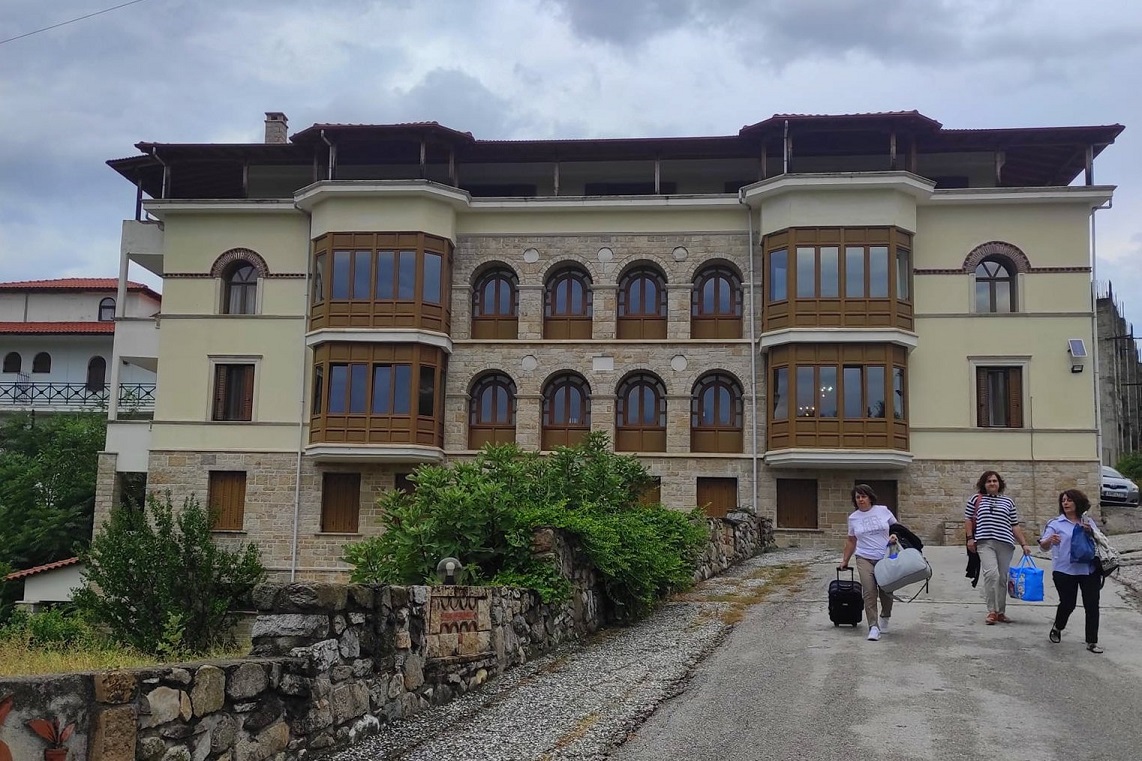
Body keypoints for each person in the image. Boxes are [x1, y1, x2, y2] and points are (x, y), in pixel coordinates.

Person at [963, 470, 1032, 625]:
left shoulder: (1008, 502)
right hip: (984, 542)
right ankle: (991, 611)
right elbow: (968, 520)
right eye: (989, 481)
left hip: (1005, 543)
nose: (992, 483)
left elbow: (1014, 525)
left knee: (1002, 578)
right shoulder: (976, 499)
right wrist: (970, 538)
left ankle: (1001, 612)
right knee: (991, 574)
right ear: (984, 484)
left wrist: (1024, 544)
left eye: (995, 481)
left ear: (999, 483)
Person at [1039, 489, 1103, 653]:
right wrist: (1050, 540)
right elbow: (1043, 546)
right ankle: (1058, 627)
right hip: (1064, 570)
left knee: (1092, 605)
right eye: (1063, 501)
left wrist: (1090, 532)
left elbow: (1100, 540)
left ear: (1077, 502)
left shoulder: (1087, 521)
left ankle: (1092, 641)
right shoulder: (1056, 523)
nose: (1065, 503)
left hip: (1089, 569)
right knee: (1068, 604)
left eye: (1069, 500)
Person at [839, 484, 896, 641]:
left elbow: (896, 528)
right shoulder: (853, 518)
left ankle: (885, 616)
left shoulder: (883, 510)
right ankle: (873, 627)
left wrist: (894, 536)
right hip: (864, 557)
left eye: (863, 496)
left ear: (870, 497)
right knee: (869, 591)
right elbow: (851, 540)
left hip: (885, 556)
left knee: (886, 590)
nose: (861, 499)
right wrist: (845, 560)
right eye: (857, 497)